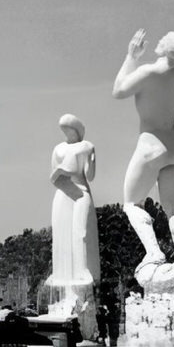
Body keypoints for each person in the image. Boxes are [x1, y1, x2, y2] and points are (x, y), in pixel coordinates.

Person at [112, 28, 174, 291]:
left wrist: (131, 57)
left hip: (150, 148)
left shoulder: (148, 72)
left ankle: (154, 253)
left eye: (163, 39)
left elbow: (118, 90)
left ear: (165, 46)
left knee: (131, 203)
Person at [49, 114, 100, 291]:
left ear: (76, 129)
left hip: (80, 190)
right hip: (63, 191)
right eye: (64, 129)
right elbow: (53, 173)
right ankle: (61, 272)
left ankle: (83, 269)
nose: (67, 132)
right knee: (61, 232)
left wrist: (92, 162)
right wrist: (58, 173)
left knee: (81, 231)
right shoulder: (58, 148)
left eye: (69, 128)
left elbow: (90, 176)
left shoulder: (87, 146)